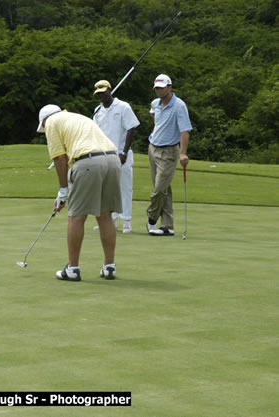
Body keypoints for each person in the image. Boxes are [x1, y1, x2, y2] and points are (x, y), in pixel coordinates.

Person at [37, 104, 122, 281]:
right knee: (105, 215)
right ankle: (109, 267)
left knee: (76, 216)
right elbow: (67, 158)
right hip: (113, 161)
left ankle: (73, 269)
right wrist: (64, 191)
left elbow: (60, 159)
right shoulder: (77, 118)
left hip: (88, 163)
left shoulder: (51, 122)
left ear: (44, 121)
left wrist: (63, 191)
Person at [146, 74, 192, 236]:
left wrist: (183, 153)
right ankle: (167, 226)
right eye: (157, 88)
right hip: (153, 149)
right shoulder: (155, 104)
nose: (159, 90)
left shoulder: (179, 106)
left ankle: (151, 218)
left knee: (159, 190)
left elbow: (185, 130)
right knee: (164, 189)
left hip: (169, 152)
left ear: (170, 87)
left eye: (162, 87)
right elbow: (155, 118)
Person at [92, 80, 140, 233]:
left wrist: (124, 152)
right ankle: (110, 219)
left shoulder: (123, 107)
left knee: (125, 188)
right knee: (107, 189)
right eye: (99, 93)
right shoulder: (97, 111)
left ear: (110, 90)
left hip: (121, 155)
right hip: (104, 156)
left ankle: (126, 221)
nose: (101, 95)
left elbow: (131, 128)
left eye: (104, 91)